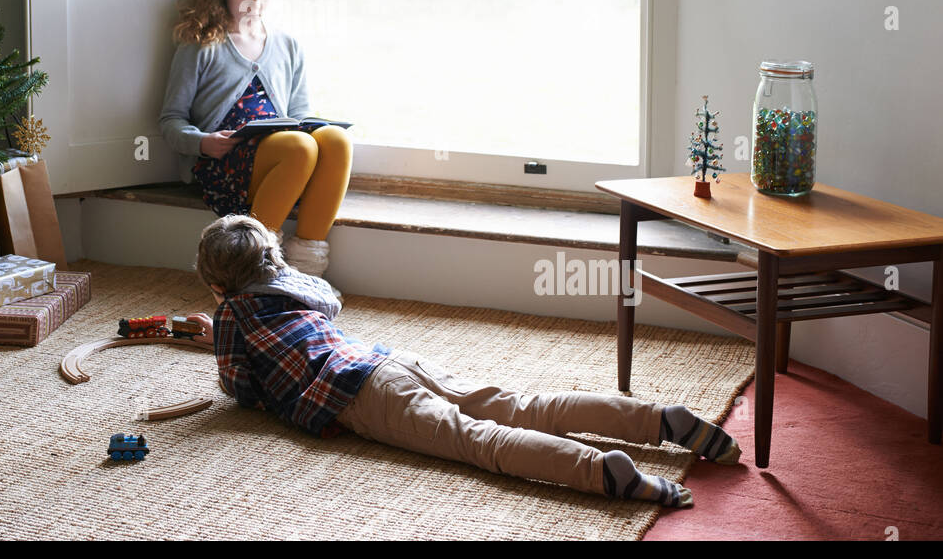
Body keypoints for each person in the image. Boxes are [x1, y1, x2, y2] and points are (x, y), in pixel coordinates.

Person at [185, 215, 742, 508]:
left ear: (216, 285)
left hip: (360, 394)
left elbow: (240, 390)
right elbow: (326, 305)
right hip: (391, 360)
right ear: (274, 257)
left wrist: (220, 335)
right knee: (523, 406)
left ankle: (600, 472)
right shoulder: (297, 285)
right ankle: (659, 420)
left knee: (479, 442)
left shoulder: (233, 313)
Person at [159, 0, 351, 280]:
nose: (255, 3)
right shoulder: (201, 45)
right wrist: (203, 141)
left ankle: (306, 273)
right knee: (299, 146)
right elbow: (171, 120)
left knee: (335, 139)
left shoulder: (287, 45)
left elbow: (299, 113)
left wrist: (312, 129)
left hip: (281, 158)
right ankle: (258, 271)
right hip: (223, 165)